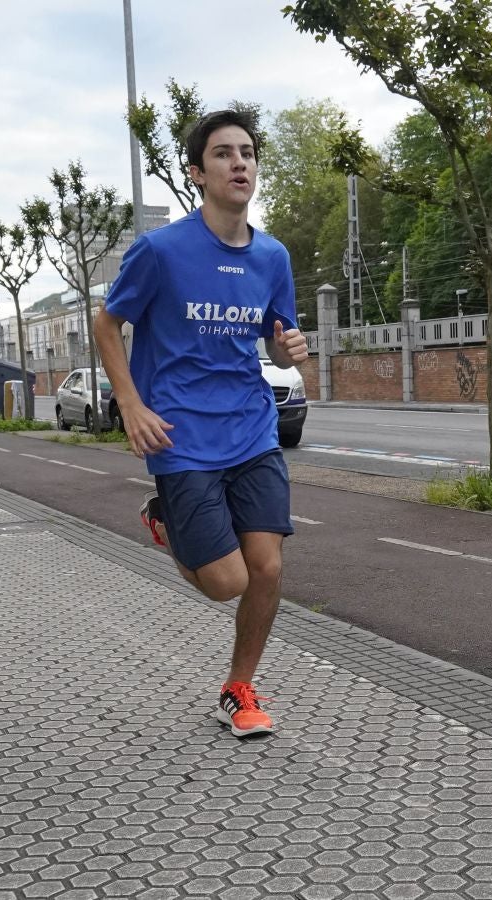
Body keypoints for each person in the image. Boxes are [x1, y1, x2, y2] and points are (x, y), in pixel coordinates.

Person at [94, 108, 308, 736]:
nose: (239, 162)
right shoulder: (161, 251)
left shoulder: (272, 255)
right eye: (223, 154)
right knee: (225, 582)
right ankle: (165, 517)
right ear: (197, 173)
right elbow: (109, 325)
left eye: (247, 152)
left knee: (266, 568)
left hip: (250, 427)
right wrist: (131, 404)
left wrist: (287, 350)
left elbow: (274, 338)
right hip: (181, 436)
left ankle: (240, 688)